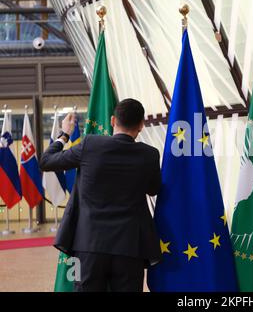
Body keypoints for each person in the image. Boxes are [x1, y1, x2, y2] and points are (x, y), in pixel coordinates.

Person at [40, 98, 162, 292]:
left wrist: (64, 134)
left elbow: (46, 161)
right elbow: (154, 189)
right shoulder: (150, 155)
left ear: (113, 121)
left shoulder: (90, 144)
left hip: (87, 247)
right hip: (130, 248)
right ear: (141, 125)